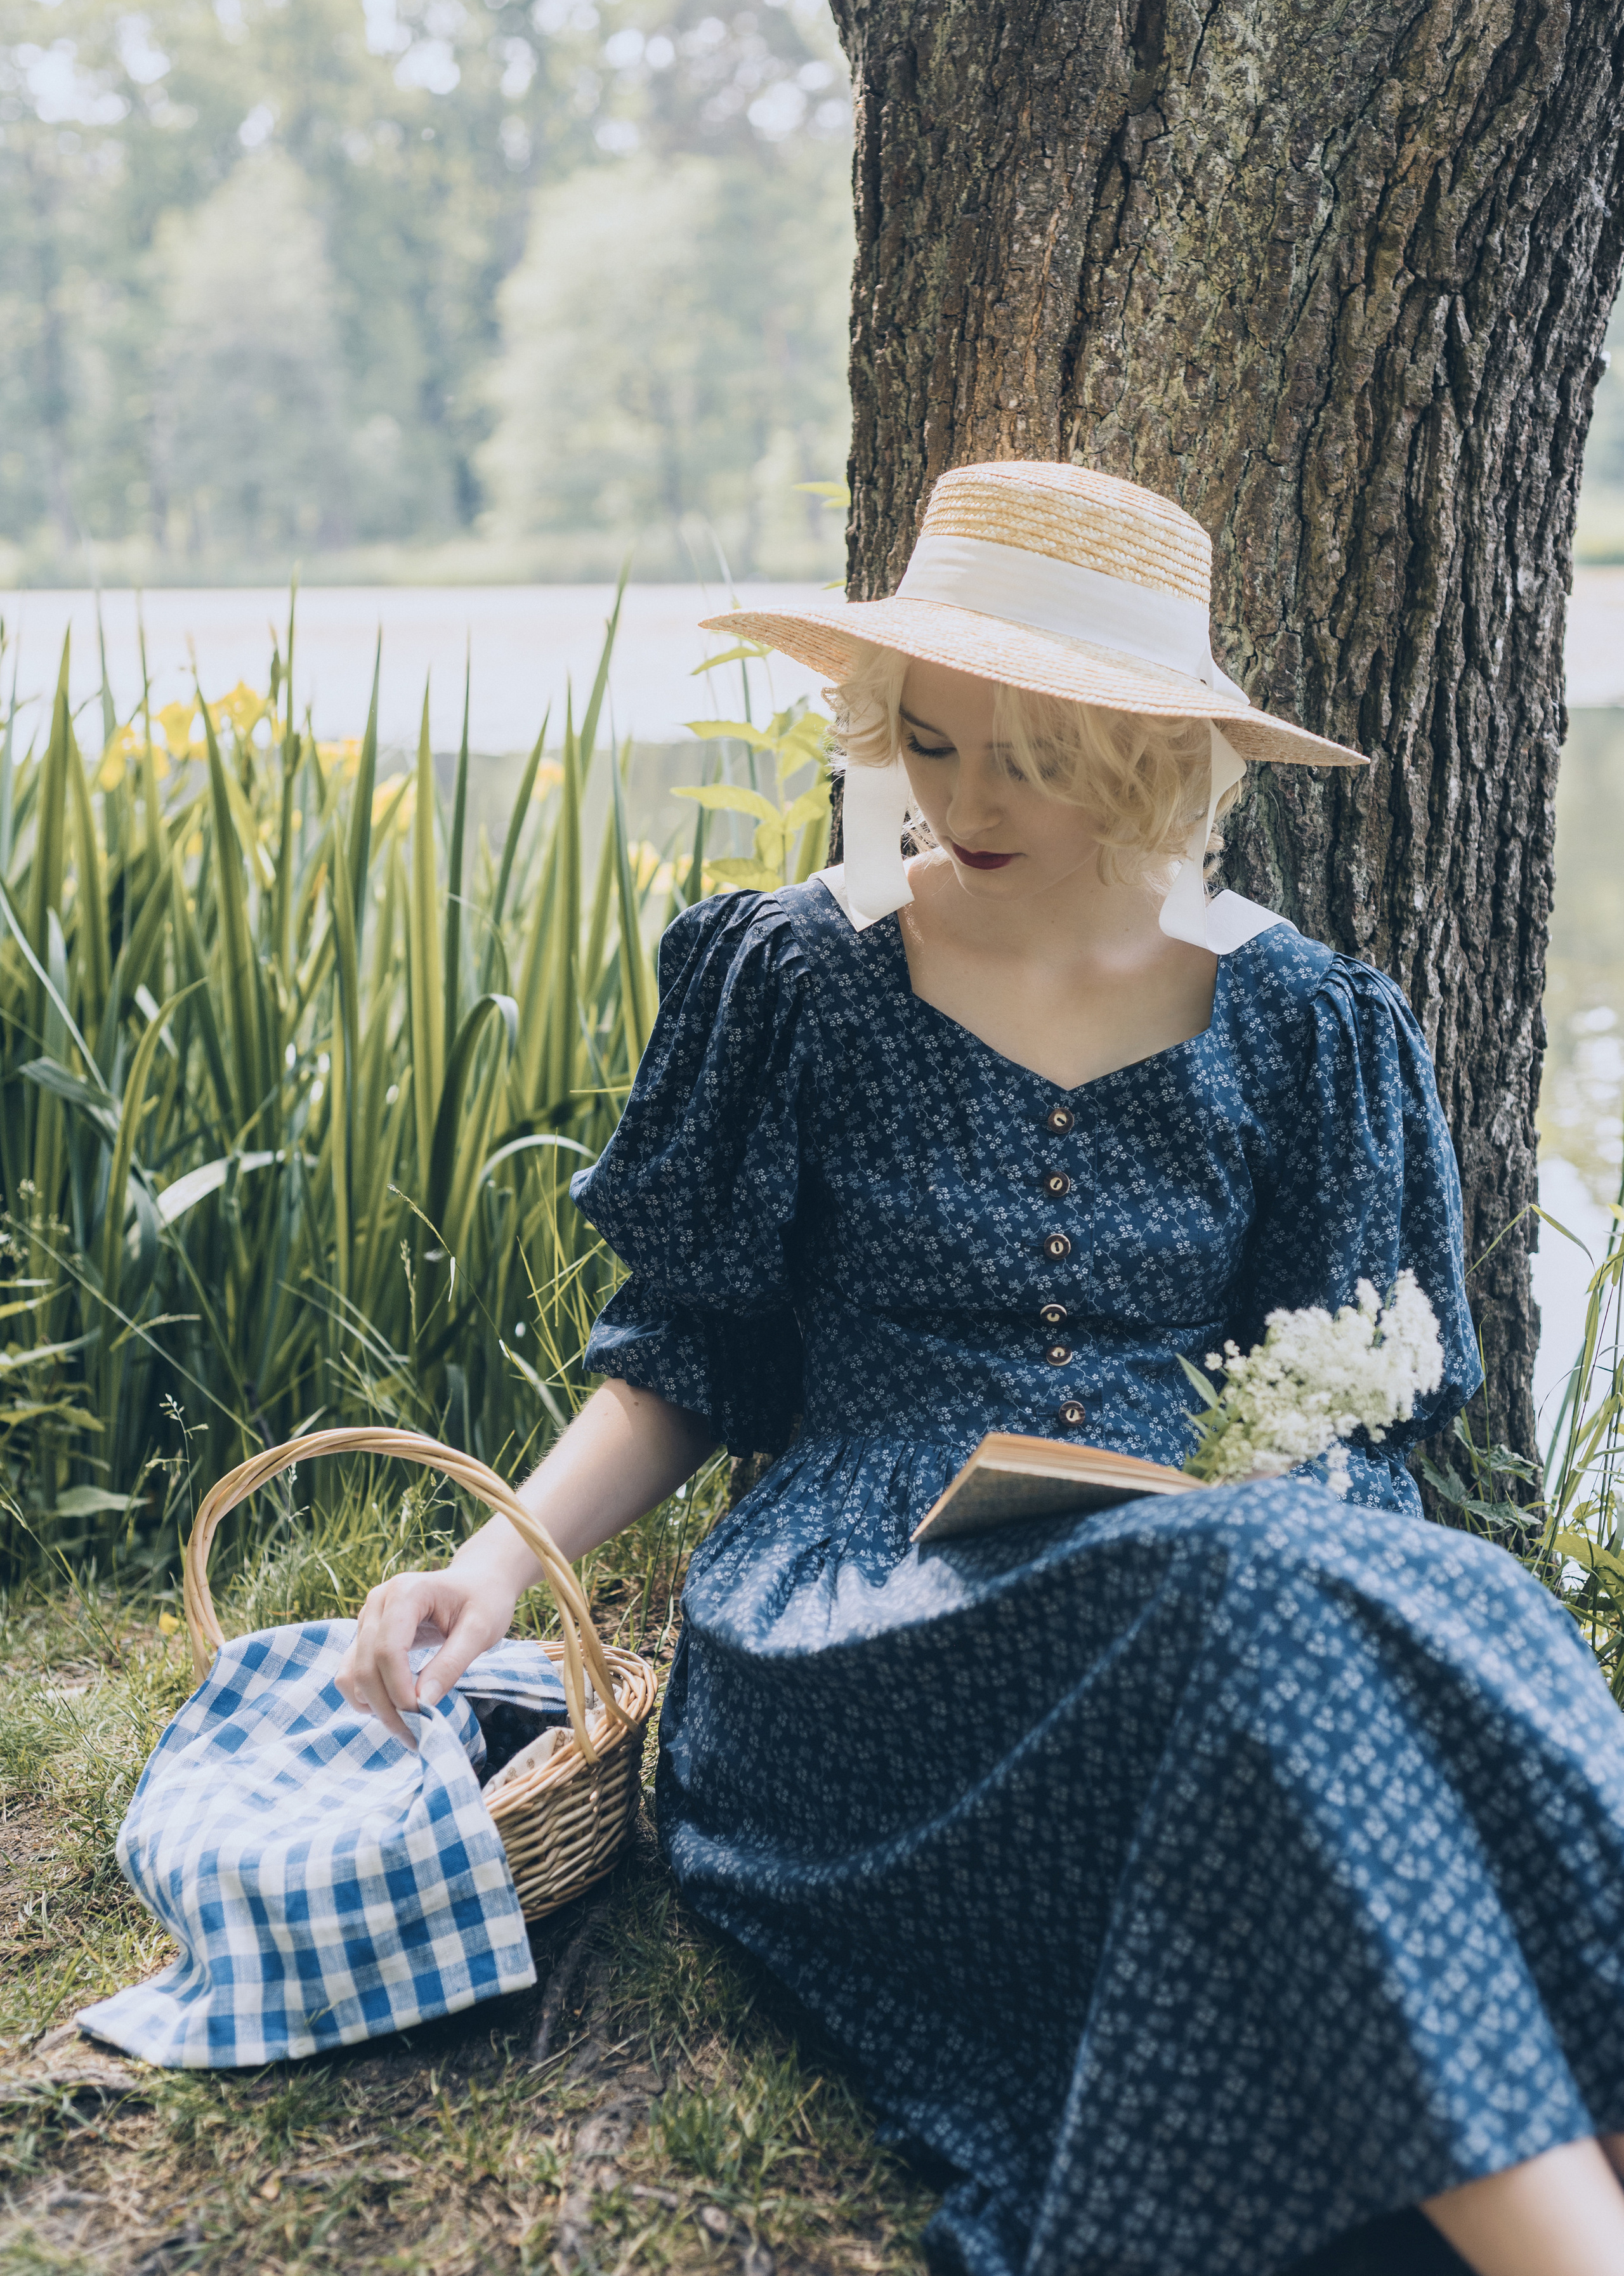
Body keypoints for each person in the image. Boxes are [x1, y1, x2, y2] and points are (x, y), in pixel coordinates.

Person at [341, 462, 1624, 2276]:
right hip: (868, 1614)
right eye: (931, 743)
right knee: (1260, 1610)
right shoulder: (798, 974)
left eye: (1029, 754)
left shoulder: (1310, 1019)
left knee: (1447, 1610)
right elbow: (683, 1357)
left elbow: (1362, 1404)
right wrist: (489, 1565)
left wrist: (1287, 1509)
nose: (963, 800)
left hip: (1210, 1560)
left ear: (1149, 751)